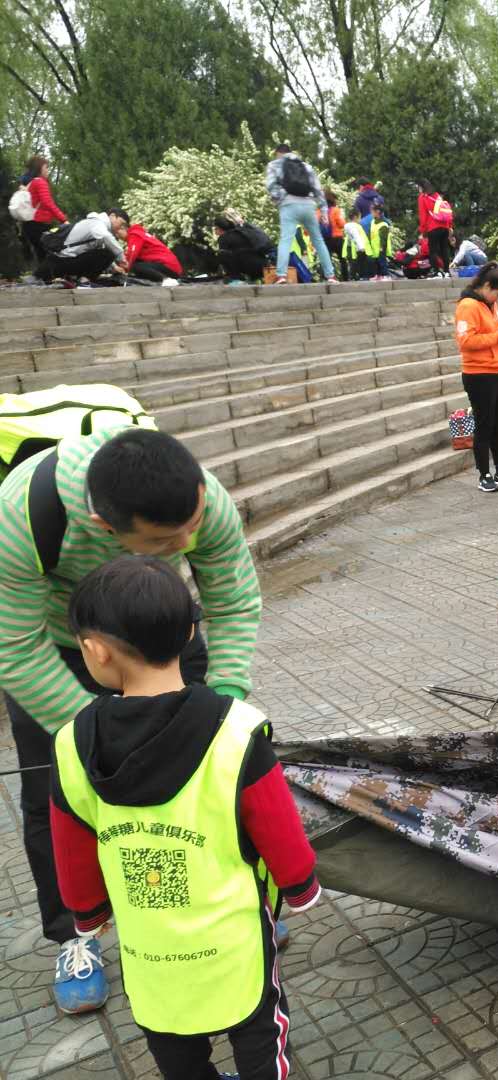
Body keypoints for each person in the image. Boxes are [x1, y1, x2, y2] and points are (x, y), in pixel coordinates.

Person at [0, 427, 263, 1013]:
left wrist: (220, 702)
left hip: (161, 632)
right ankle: (76, 934)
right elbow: (14, 648)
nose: (189, 541)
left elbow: (233, 600)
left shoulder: (198, 499)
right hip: (63, 645)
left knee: (207, 776)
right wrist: (95, 735)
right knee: (55, 792)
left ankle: (227, 901)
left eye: (194, 524)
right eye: (167, 540)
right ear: (104, 527)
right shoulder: (19, 517)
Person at [50, 556, 318, 1078]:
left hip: (149, 950)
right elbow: (276, 822)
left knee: (174, 1049)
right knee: (260, 1032)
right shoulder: (236, 730)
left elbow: (72, 845)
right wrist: (301, 884)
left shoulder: (71, 744)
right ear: (192, 632)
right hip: (234, 941)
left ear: (95, 650)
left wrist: (88, 913)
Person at [455, 262, 498, 493]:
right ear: (486, 286)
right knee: (484, 425)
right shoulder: (467, 306)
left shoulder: (490, 304)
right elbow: (465, 341)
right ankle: (484, 474)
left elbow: (494, 330)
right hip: (479, 375)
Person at [264, 143, 337, 284]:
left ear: (278, 153)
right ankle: (330, 276)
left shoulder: (274, 165)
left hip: (288, 205)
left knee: (285, 240)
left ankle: (282, 275)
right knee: (318, 240)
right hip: (308, 205)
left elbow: (271, 186)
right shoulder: (305, 166)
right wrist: (323, 210)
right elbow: (317, 189)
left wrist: (280, 198)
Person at [37, 208, 129, 283]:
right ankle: (84, 281)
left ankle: (81, 279)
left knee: (106, 252)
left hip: (63, 260)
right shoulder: (97, 222)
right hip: (62, 260)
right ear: (112, 216)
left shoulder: (98, 225)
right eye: (121, 223)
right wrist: (123, 259)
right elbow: (106, 238)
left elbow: (97, 250)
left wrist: (114, 267)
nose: (120, 227)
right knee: (109, 253)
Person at [20, 155, 67, 265]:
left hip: (28, 225)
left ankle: (44, 275)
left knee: (42, 256)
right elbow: (47, 202)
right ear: (39, 168)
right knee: (56, 251)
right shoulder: (40, 182)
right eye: (46, 167)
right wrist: (63, 219)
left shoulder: (30, 183)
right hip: (38, 225)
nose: (47, 170)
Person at [213, 212, 274, 283]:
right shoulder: (243, 232)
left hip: (246, 266)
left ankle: (236, 279)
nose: (215, 232)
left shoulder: (223, 238)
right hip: (262, 265)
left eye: (216, 229)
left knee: (222, 253)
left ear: (220, 229)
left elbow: (226, 258)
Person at [420, 182, 453, 274]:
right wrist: (449, 226)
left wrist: (423, 231)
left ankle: (437, 272)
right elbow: (445, 211)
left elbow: (423, 215)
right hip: (445, 227)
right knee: (444, 249)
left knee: (433, 250)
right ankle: (447, 272)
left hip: (433, 227)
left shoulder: (423, 197)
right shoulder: (438, 197)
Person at [340, 207, 369, 280]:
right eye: (360, 217)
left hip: (350, 248)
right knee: (356, 263)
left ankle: (354, 276)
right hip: (356, 249)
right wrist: (361, 247)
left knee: (353, 263)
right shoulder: (353, 227)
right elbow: (356, 237)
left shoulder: (348, 226)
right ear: (355, 217)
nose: (360, 219)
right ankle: (355, 276)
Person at [321, 188, 345, 271]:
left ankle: (329, 276)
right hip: (337, 238)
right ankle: (345, 276)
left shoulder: (320, 211)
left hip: (325, 238)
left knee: (327, 260)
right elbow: (341, 224)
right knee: (342, 259)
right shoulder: (335, 210)